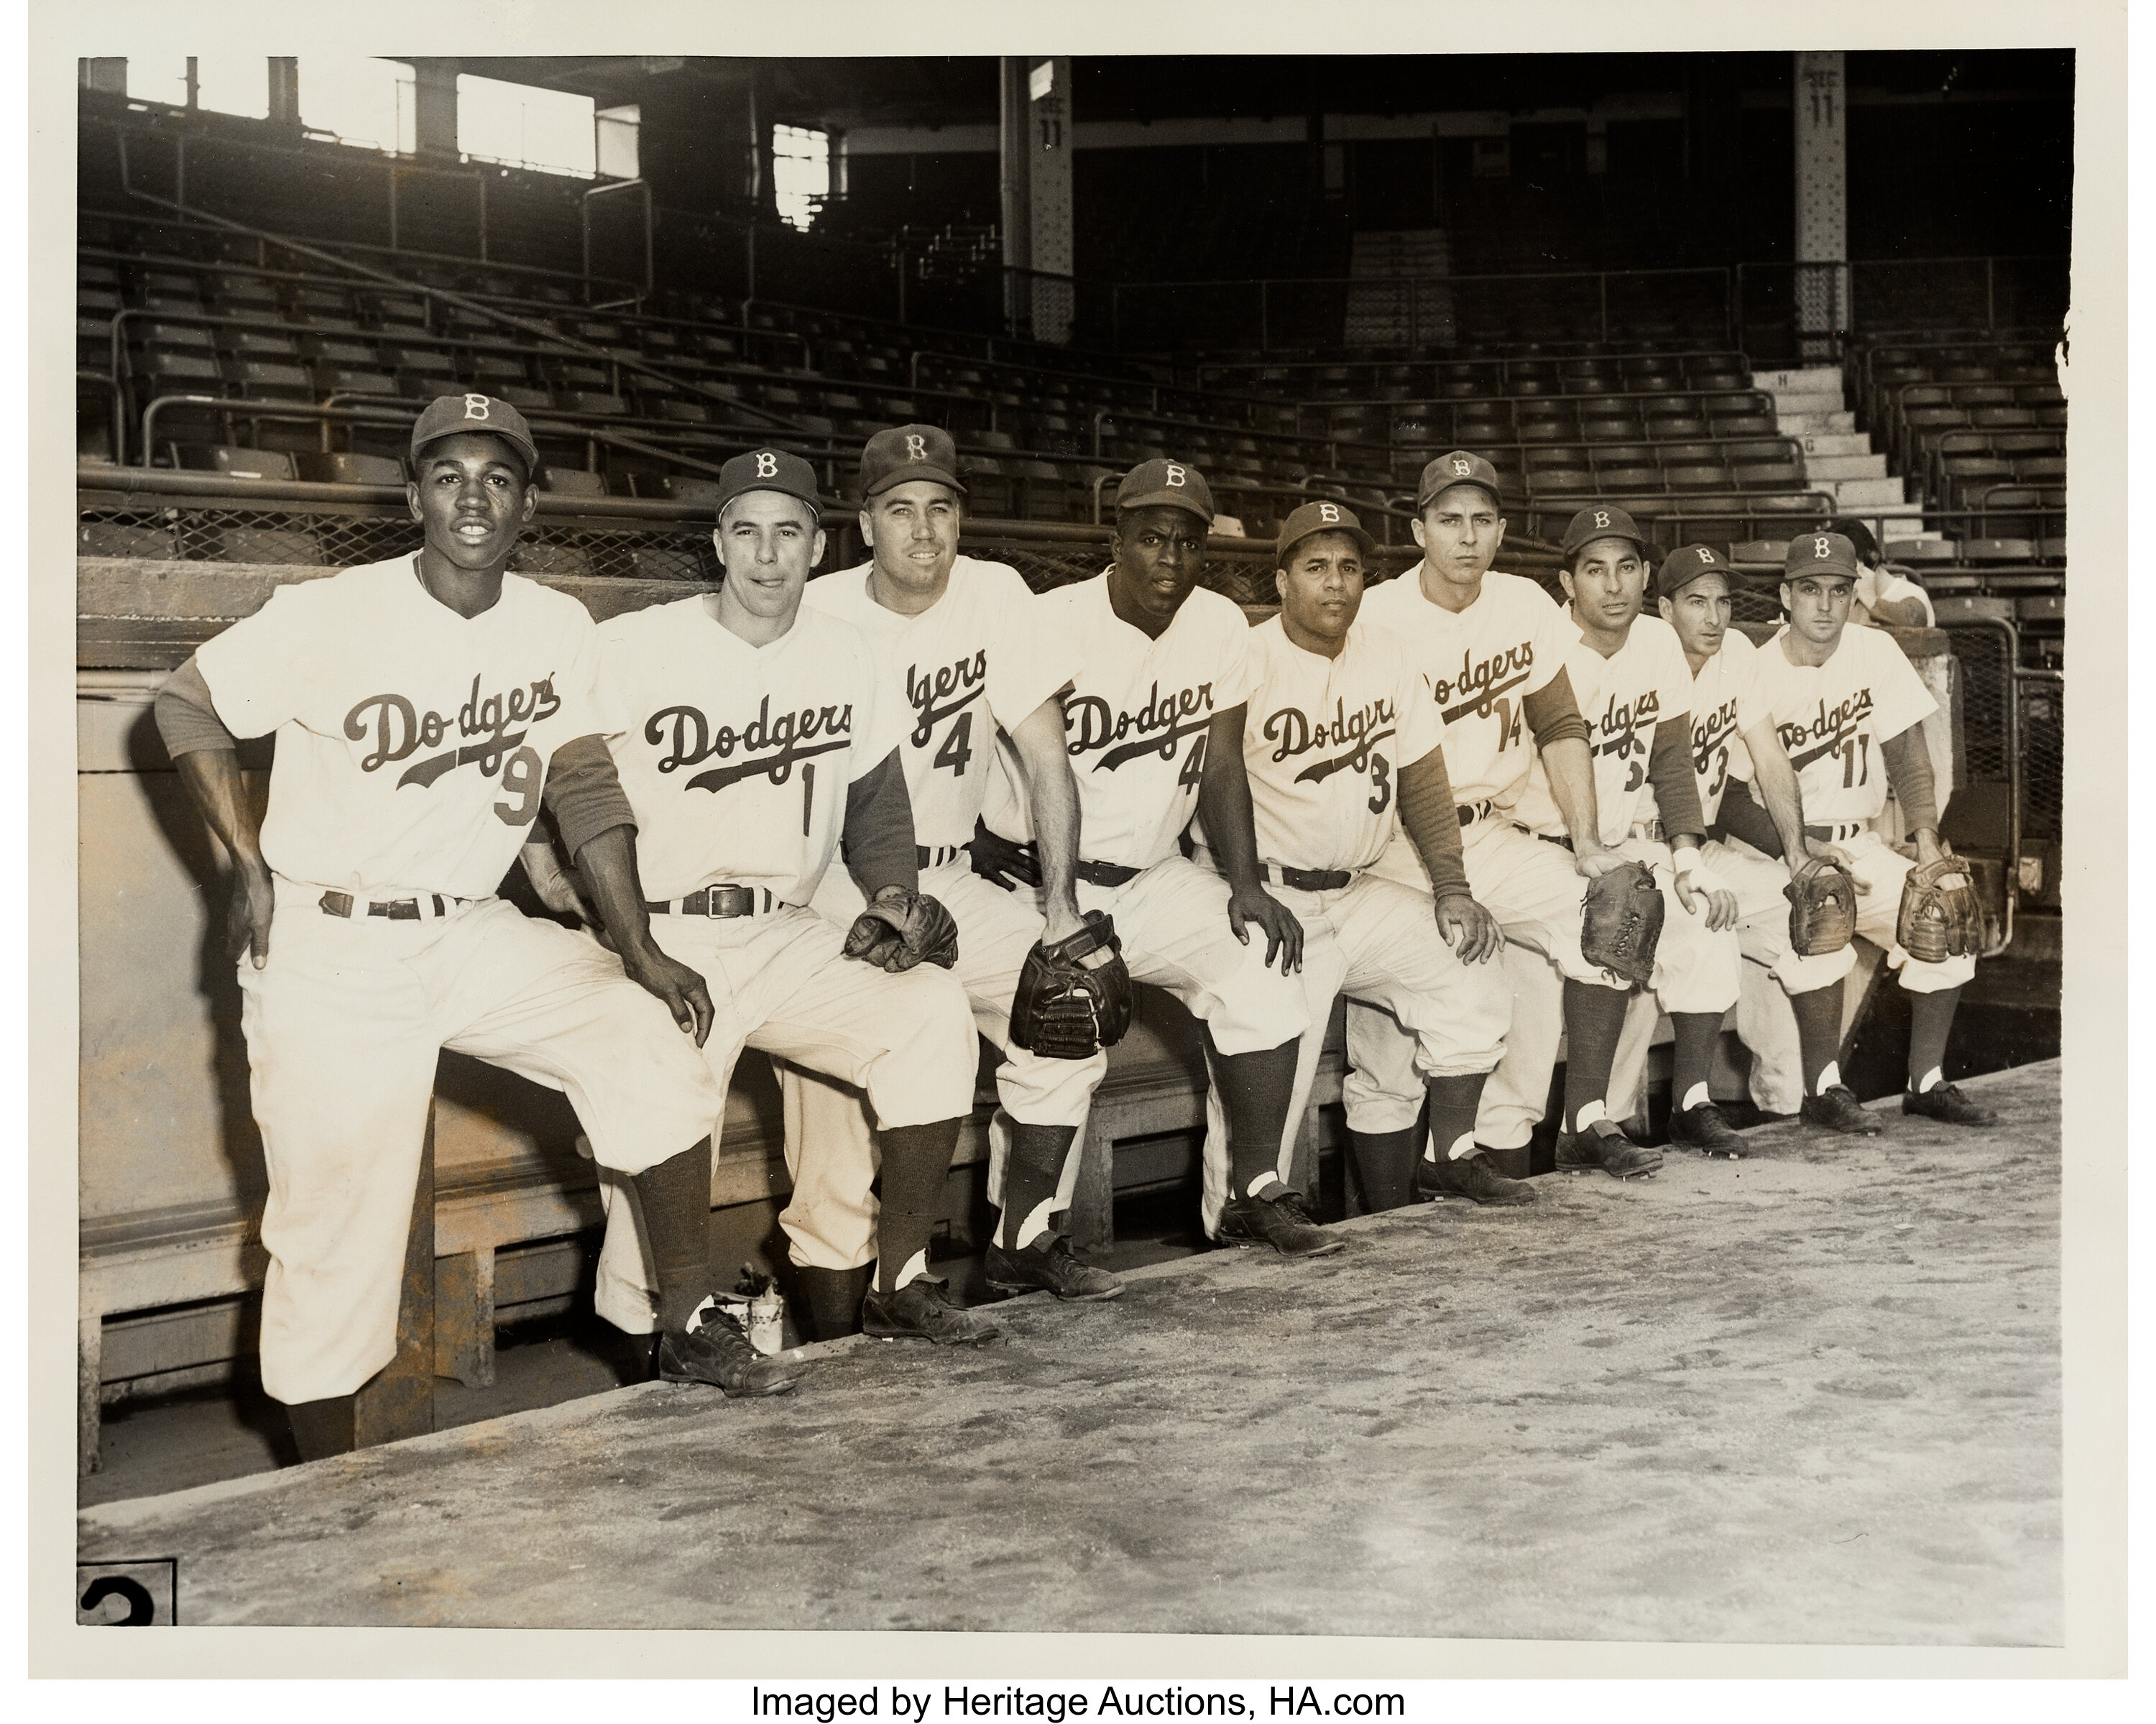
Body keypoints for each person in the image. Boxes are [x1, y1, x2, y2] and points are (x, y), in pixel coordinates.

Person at [152, 394, 793, 1462]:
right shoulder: (330, 611)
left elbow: (585, 788)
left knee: (647, 1028)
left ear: (529, 500)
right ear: (411, 495)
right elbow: (186, 704)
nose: (473, 496)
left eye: (498, 476)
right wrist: (242, 856)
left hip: (468, 928)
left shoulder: (556, 625)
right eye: (448, 474)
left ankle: (684, 1318)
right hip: (334, 941)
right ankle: (323, 1481)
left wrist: (638, 946)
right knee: (332, 1232)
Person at [543, 446, 1000, 1347]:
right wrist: (610, 922)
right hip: (666, 933)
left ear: (819, 545)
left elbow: (876, 803)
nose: (765, 555)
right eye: (746, 532)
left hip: (785, 932)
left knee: (929, 1011)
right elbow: (565, 773)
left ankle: (902, 1276)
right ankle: (653, 1358)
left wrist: (895, 896)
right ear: (717, 542)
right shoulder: (636, 644)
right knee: (646, 1219)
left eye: (786, 532)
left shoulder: (849, 656)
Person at [770, 425, 1123, 1335]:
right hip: (834, 890)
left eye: (941, 509)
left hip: (952, 879)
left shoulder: (997, 592)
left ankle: (1022, 1235)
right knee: (835, 1130)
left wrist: (1061, 908)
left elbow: (1047, 756)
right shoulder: (815, 606)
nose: (924, 532)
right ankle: (840, 1324)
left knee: (1069, 1007)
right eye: (900, 510)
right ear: (863, 524)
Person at [970, 459, 1321, 1254]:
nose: (1170, 557)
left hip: (1153, 875)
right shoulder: (1053, 618)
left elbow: (1223, 763)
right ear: (1117, 538)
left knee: (1262, 963)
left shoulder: (1223, 625)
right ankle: (1018, 1244)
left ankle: (1253, 1191)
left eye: (1189, 542)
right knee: (1063, 1030)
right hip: (1039, 883)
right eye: (1153, 537)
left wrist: (1246, 883)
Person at [1191, 502, 1511, 1227]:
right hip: (1273, 894)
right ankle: (1235, 1222)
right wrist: (1242, 885)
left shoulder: (1387, 653)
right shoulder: (1248, 653)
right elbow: (1216, 776)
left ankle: (1450, 1152)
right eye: (1315, 567)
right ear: (1281, 580)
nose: (1335, 583)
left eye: (1347, 567)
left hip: (1361, 893)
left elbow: (1424, 775)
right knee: (1264, 1082)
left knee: (1472, 958)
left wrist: (1453, 888)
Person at [1344, 455, 1653, 1188]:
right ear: (1419, 530)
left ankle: (1583, 1123)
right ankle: (1388, 1220)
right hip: (1393, 843)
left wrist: (1588, 840)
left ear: (1503, 529)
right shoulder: (1378, 614)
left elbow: (1560, 724)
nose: (1467, 536)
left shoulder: (1522, 606)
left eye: (1482, 520)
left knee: (1609, 905)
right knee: (1389, 1058)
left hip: (1485, 830)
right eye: (1450, 519)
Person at [1606, 545, 1879, 1139]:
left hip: (1690, 847)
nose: (1713, 617)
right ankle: (1653, 1116)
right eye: (1696, 602)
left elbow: (1770, 760)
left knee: (1807, 901)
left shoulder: (1735, 655)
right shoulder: (1639, 652)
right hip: (1628, 846)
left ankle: (1822, 1086)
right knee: (1620, 1053)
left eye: (1724, 601)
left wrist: (1797, 851)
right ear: (1664, 606)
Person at [1498, 507, 1745, 1160]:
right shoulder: (1538, 643)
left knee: (1706, 920)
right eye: (1595, 569)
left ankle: (1689, 1104)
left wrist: (1688, 857)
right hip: (1530, 843)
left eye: (1627, 567)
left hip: (1614, 849)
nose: (1613, 585)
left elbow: (1671, 758)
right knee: (1516, 1080)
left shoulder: (1659, 641)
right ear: (1567, 581)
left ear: (1644, 578)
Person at [1743, 533, 1996, 1125]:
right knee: (1783, 1071)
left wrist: (1928, 838)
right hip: (1773, 851)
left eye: (1838, 590)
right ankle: (1824, 1091)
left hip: (1857, 842)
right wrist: (1796, 848)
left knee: (1943, 911)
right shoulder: (1754, 670)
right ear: (1785, 595)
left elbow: (1908, 753)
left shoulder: (1874, 651)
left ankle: (1926, 1080)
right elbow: (1728, 798)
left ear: (1855, 594)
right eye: (1810, 590)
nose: (1825, 605)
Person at [1825, 515, 1935, 630]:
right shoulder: (1846, 600)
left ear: (1870, 560)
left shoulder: (1913, 593)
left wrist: (1870, 599)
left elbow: (1915, 621)